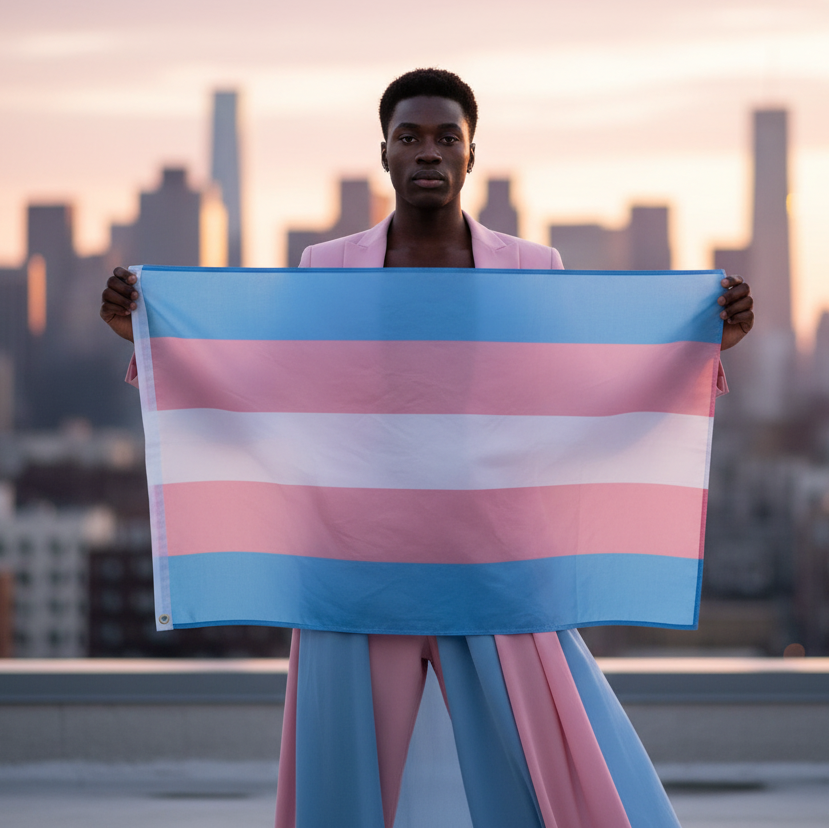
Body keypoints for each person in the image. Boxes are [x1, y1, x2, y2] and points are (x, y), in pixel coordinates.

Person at [101, 69, 754, 828]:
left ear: (472, 155)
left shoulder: (533, 269)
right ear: (383, 153)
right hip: (351, 565)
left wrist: (705, 344)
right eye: (409, 137)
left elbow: (585, 398)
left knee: (551, 779)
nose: (428, 152)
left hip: (496, 561)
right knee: (338, 793)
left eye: (447, 137)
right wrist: (148, 337)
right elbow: (264, 389)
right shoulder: (325, 267)